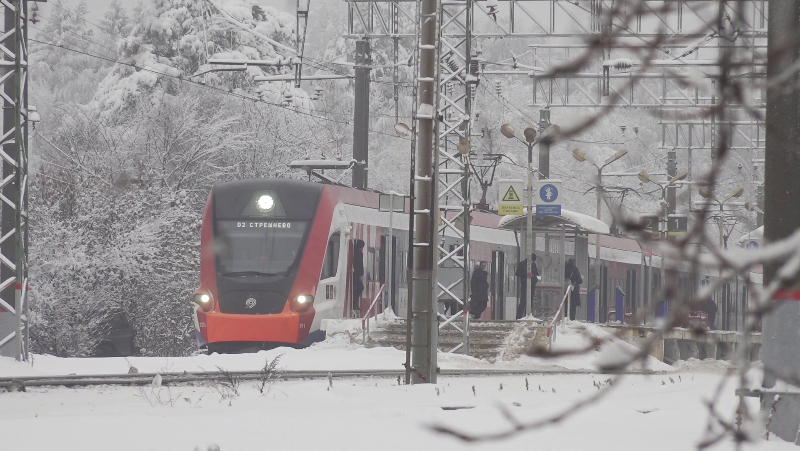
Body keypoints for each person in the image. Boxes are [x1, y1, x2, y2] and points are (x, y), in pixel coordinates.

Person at [515, 254, 540, 319]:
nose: (533, 262)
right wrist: (526, 275)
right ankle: (519, 317)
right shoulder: (522, 264)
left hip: (532, 285)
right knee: (523, 301)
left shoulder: (533, 265)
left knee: (530, 301)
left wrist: (535, 279)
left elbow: (537, 274)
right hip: (524, 285)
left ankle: (528, 315)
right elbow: (517, 273)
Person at [352, 240, 365, 313]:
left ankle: (355, 304)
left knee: (355, 288)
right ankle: (355, 304)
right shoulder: (359, 253)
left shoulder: (354, 251)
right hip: (356, 275)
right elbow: (360, 264)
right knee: (360, 288)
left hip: (354, 273)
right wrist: (361, 275)